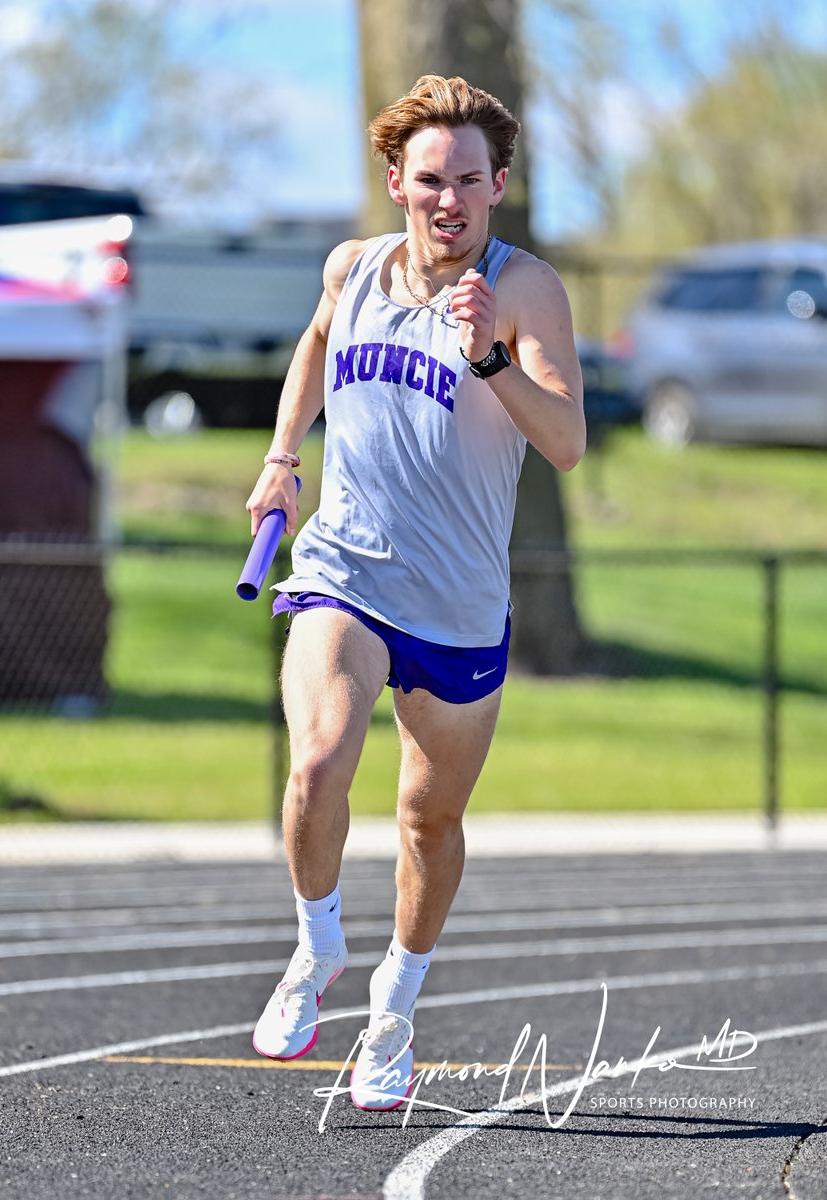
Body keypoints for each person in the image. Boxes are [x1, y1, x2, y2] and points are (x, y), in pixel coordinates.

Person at [248, 74, 584, 1111]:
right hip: (345, 571)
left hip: (459, 606)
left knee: (426, 825)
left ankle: (394, 1001)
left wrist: (488, 356)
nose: (450, 201)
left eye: (470, 183)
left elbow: (566, 443)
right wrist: (280, 458)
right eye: (430, 179)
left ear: (498, 190)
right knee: (314, 768)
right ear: (396, 182)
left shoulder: (524, 290)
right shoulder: (351, 267)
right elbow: (313, 345)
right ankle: (315, 950)